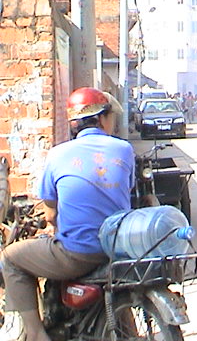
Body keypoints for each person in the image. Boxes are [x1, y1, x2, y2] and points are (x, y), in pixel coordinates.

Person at [0, 88, 135, 341]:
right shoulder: (124, 149)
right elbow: (124, 190)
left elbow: (51, 213)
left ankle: (36, 334)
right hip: (118, 247)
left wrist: (53, 220)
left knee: (10, 258)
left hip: (80, 254)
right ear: (102, 118)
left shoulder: (57, 154)